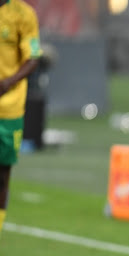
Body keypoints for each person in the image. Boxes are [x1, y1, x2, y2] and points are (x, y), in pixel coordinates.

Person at [0, 0, 41, 239]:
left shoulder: (23, 14)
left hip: (9, 108)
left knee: (2, 173)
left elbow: (33, 57)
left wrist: (8, 82)